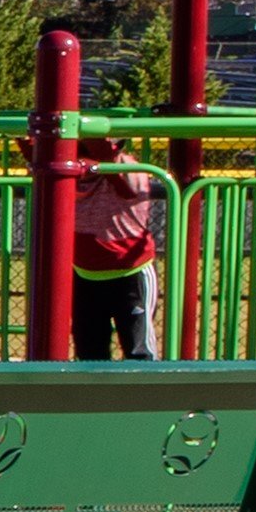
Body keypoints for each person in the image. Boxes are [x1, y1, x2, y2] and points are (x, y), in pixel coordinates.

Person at [67, 151, 163, 360]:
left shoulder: (126, 168)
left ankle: (145, 392)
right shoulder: (68, 171)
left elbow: (130, 187)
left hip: (131, 273)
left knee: (139, 352)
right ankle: (96, 392)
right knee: (89, 354)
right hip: (85, 274)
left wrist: (102, 154)